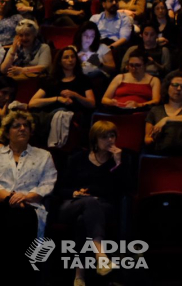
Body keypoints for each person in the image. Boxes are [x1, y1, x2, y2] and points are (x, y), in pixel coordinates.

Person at [55, 120, 129, 284]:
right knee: (89, 202)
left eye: (112, 136)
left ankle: (79, 276)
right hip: (73, 204)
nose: (110, 140)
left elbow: (125, 189)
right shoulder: (78, 159)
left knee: (84, 220)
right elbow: (60, 188)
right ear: (94, 139)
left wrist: (117, 164)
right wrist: (75, 193)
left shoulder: (119, 160)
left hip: (103, 206)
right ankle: (101, 256)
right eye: (104, 137)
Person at [0, 110, 58, 281]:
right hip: (2, 201)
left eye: (26, 126)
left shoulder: (43, 155)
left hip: (30, 204)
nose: (22, 129)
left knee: (22, 217)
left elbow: (48, 182)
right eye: (16, 126)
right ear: (7, 132)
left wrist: (26, 197)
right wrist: (8, 196)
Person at [28, 47, 95, 145]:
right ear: (59, 62)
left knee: (63, 114)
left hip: (73, 115)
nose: (70, 60)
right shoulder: (50, 80)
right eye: (66, 57)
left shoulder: (83, 80)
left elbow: (92, 103)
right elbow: (32, 103)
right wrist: (57, 99)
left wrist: (75, 95)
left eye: (73, 57)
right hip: (50, 114)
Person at [144, 70, 182, 155]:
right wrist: (153, 138)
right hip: (161, 156)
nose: (179, 89)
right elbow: (147, 138)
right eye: (175, 85)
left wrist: (167, 119)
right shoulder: (155, 110)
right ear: (167, 87)